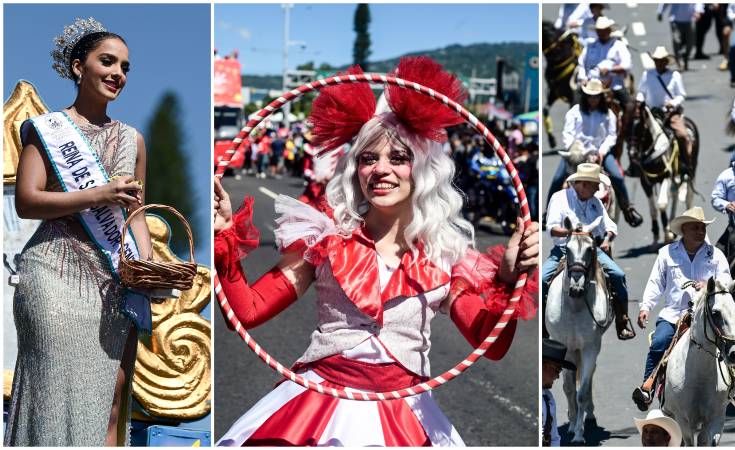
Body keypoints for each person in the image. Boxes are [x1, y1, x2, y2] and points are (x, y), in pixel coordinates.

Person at [213, 57, 539, 446]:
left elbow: (493, 344)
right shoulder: (326, 240)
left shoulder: (442, 255)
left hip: (404, 417)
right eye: (369, 158)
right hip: (316, 409)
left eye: (398, 158)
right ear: (356, 170)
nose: (380, 169)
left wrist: (507, 278)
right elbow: (244, 312)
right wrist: (223, 242)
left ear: (423, 171)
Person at [5, 18, 153, 446]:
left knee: (112, 394)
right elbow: (27, 201)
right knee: (52, 394)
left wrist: (145, 268)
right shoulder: (45, 129)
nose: (118, 74)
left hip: (112, 282)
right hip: (52, 275)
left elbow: (137, 215)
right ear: (77, 67)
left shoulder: (133, 139)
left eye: (125, 67)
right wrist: (98, 194)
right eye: (107, 62)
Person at [631, 207, 735, 411]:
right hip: (674, 314)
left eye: (703, 228)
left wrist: (711, 283)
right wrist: (646, 306)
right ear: (684, 230)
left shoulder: (714, 254)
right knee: (660, 341)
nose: (700, 232)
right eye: (695, 228)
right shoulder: (667, 254)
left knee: (733, 338)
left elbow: (726, 278)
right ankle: (648, 388)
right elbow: (656, 282)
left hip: (707, 314)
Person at [544, 163, 635, 340]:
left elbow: (609, 225)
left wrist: (607, 239)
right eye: (595, 185)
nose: (597, 189)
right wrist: (570, 232)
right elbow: (552, 228)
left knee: (618, 275)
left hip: (590, 249)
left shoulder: (595, 202)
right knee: (542, 280)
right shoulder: (559, 198)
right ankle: (544, 328)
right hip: (564, 249)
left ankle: (622, 321)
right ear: (584, 184)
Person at [550, 78, 642, 227]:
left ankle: (627, 209)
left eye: (597, 96)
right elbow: (567, 133)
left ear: (601, 97)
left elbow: (612, 135)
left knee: (617, 176)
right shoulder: (575, 112)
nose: (593, 99)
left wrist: (602, 151)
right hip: (577, 154)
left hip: (600, 153)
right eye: (590, 96)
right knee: (557, 178)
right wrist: (574, 147)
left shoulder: (608, 115)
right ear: (585, 96)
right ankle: (549, 212)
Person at [636, 46, 693, 175]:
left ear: (667, 62)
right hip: (651, 113)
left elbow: (681, 95)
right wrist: (639, 101)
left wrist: (672, 103)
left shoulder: (674, 75)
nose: (659, 63)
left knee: (682, 135)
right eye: (657, 60)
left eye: (662, 60)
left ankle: (685, 164)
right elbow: (641, 92)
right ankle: (635, 163)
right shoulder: (647, 74)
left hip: (669, 114)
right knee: (636, 133)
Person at [542, 338, 577, 447]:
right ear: (544, 365)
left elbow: (554, 437)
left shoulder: (548, 398)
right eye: (557, 370)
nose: (557, 376)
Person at [657, 3, 704, 71]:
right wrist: (660, 12)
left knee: (691, 42)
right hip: (675, 19)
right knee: (676, 40)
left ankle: (686, 56)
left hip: (690, 19)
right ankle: (679, 61)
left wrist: (698, 11)